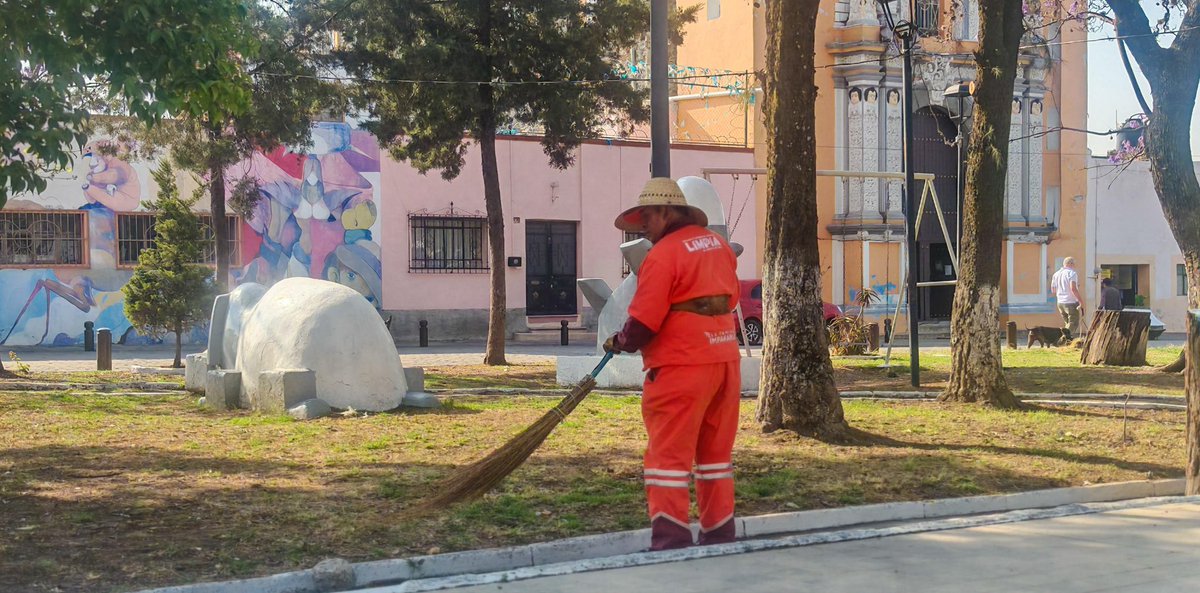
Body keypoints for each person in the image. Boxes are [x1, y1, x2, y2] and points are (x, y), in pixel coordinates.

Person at [603, 178, 741, 551]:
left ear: (666, 212)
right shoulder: (718, 246)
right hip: (724, 360)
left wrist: (621, 341)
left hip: (681, 365)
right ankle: (719, 532)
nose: (643, 227)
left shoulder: (663, 255)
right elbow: (730, 299)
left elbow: (644, 321)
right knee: (715, 454)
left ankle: (671, 536)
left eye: (647, 217)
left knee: (667, 454)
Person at [1050, 256, 1085, 340]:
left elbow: (1053, 290)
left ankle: (1067, 341)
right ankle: (1062, 340)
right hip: (1070, 302)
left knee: (1067, 323)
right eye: (1074, 264)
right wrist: (1081, 302)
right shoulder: (1072, 273)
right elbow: (1073, 288)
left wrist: (1062, 289)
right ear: (1070, 263)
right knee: (1073, 323)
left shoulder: (1056, 274)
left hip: (1060, 302)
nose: (1074, 266)